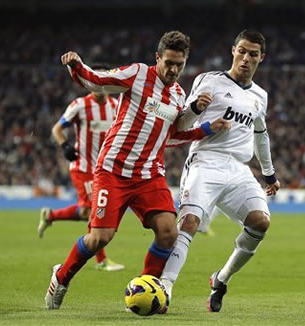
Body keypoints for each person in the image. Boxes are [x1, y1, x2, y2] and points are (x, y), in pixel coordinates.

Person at [45, 30, 231, 310]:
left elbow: (171, 136)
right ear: (157, 57)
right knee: (99, 238)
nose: (173, 69)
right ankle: (61, 277)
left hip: (149, 175)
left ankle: (146, 289)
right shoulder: (137, 74)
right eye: (168, 62)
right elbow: (98, 80)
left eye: (179, 64)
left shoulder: (179, 95)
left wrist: (204, 128)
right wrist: (77, 66)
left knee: (169, 232)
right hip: (113, 171)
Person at [160, 29, 280, 313]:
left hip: (239, 169)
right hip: (206, 160)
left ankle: (221, 279)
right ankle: (165, 286)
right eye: (242, 51)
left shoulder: (260, 97)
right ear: (233, 50)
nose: (246, 58)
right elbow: (180, 125)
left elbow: (261, 135)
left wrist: (269, 173)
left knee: (260, 222)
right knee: (189, 222)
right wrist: (194, 109)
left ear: (261, 58)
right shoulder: (210, 81)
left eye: (253, 54)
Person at [37, 66, 124, 272]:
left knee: (86, 212)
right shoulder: (80, 105)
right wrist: (65, 146)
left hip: (106, 169)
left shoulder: (117, 106)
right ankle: (101, 260)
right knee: (95, 210)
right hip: (84, 167)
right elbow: (57, 129)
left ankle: (50, 216)